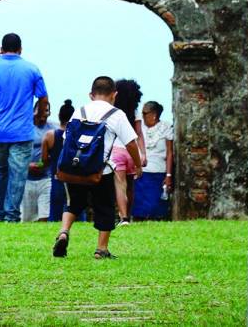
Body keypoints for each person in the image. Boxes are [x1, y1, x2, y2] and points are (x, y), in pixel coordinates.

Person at [52, 76, 141, 260]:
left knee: (72, 203)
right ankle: (101, 249)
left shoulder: (80, 110)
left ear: (91, 94)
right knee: (105, 207)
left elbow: (65, 139)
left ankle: (63, 232)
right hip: (101, 171)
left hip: (74, 169)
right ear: (114, 95)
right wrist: (138, 165)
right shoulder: (116, 114)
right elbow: (131, 143)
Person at [0, 33, 49, 222]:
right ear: (20, 49)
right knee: (18, 173)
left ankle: (0, 212)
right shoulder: (32, 69)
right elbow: (43, 97)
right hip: (22, 131)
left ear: (1, 49)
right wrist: (39, 115)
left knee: (1, 171)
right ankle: (11, 214)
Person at [132, 101, 173, 220]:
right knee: (139, 206)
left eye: (145, 113)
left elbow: (170, 152)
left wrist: (168, 174)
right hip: (141, 172)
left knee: (156, 207)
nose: (142, 116)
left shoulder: (166, 127)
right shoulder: (140, 128)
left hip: (158, 172)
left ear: (154, 114)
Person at [111, 79, 143, 226]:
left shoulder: (113, 112)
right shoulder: (134, 112)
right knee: (130, 186)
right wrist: (142, 154)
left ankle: (123, 217)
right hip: (132, 151)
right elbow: (139, 134)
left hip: (116, 151)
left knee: (120, 185)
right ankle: (128, 215)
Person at [21, 103, 55, 222]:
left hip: (46, 178)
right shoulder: (24, 127)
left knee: (44, 216)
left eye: (46, 111)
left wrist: (45, 162)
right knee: (26, 218)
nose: (43, 113)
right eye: (40, 110)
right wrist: (27, 165)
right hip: (26, 178)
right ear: (33, 111)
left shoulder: (52, 129)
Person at [44, 100, 76, 222]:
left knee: (54, 213)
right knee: (75, 210)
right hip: (74, 179)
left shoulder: (50, 135)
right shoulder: (75, 136)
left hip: (56, 178)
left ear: (59, 116)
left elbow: (44, 159)